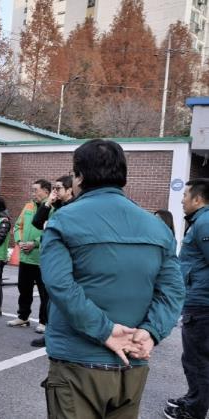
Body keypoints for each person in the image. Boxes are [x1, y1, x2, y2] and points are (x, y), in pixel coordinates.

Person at [40, 139, 184, 419]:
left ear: (79, 176)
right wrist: (151, 331)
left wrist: (105, 330)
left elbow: (59, 285)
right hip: (133, 362)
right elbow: (173, 291)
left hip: (77, 362)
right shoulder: (157, 227)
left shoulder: (63, 220)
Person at [164, 179, 209, 419]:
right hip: (198, 301)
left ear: (198, 199)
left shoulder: (205, 222)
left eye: (185, 195)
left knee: (196, 360)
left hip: (202, 304)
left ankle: (194, 410)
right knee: (196, 358)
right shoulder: (201, 221)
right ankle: (195, 398)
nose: (182, 200)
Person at [29, 175, 74, 348]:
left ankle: (61, 334)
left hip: (64, 258)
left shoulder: (74, 206)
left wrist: (49, 226)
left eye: (58, 188)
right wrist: (48, 202)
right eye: (54, 188)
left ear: (70, 190)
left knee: (61, 299)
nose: (54, 191)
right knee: (50, 298)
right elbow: (37, 222)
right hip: (51, 257)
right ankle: (50, 332)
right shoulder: (56, 205)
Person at [7, 179, 51, 332]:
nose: (33, 193)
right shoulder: (28, 206)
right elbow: (18, 226)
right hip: (25, 257)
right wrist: (19, 242)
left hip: (41, 259)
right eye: (32, 190)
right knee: (24, 290)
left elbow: (51, 231)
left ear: (46, 191)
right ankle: (23, 317)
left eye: (35, 190)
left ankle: (44, 322)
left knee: (44, 293)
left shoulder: (52, 208)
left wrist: (35, 243)